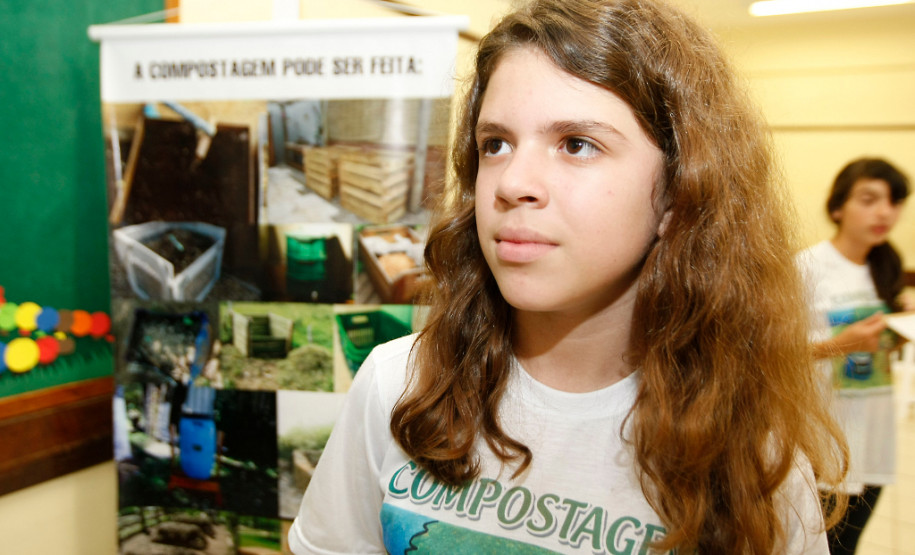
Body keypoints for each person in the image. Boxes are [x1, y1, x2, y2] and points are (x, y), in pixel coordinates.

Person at [289, 0, 848, 552]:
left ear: (680, 194)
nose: (512, 182)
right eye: (496, 144)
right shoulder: (399, 384)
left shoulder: (754, 463)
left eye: (576, 144)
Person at [798, 158, 911, 555]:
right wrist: (838, 345)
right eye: (870, 199)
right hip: (825, 446)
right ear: (837, 207)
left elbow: (870, 349)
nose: (885, 212)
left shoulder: (885, 268)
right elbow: (770, 352)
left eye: (895, 202)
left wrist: (895, 334)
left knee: (850, 546)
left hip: (873, 438)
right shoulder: (808, 267)